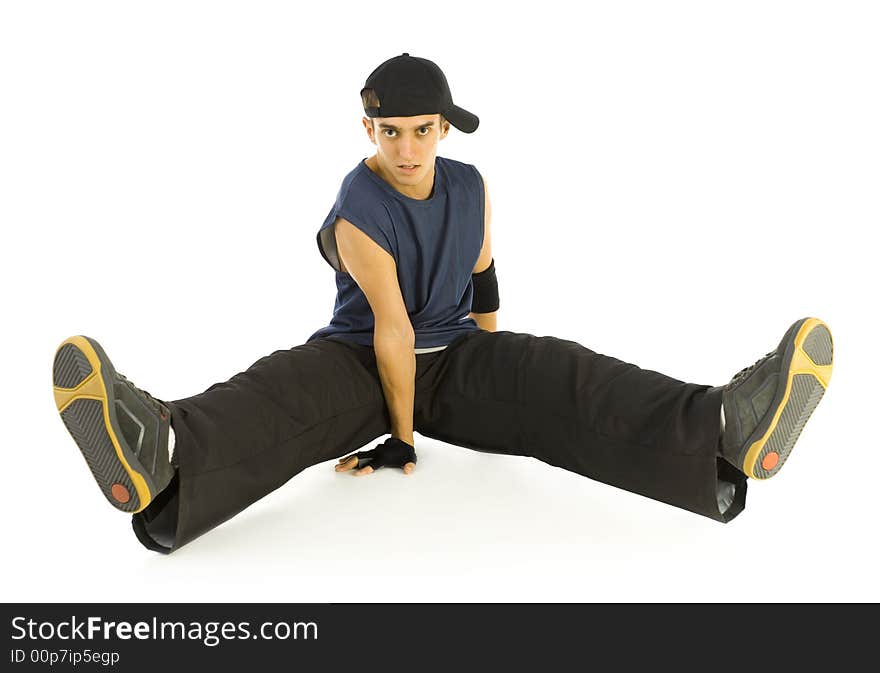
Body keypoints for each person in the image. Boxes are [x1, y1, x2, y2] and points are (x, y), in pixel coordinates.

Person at [52, 54, 834, 554]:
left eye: (421, 130)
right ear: (369, 128)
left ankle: (727, 431)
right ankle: (159, 452)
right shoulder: (358, 204)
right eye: (389, 132)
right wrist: (401, 438)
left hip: (455, 355)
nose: (406, 148)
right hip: (361, 359)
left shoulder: (472, 184)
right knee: (280, 396)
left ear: (445, 128)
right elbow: (390, 329)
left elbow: (485, 275)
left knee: (570, 378)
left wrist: (498, 360)